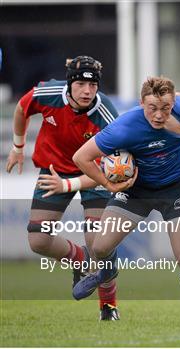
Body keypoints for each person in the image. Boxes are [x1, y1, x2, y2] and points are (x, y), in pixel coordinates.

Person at [70, 76, 180, 324]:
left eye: (165, 108)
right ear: (141, 102)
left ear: (174, 103)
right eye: (152, 108)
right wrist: (109, 184)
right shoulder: (124, 128)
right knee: (99, 248)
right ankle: (108, 270)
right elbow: (81, 158)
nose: (158, 115)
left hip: (175, 189)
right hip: (136, 191)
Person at [5, 55, 122, 321]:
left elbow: (108, 172)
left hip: (94, 172)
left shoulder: (106, 113)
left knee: (99, 245)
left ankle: (109, 306)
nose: (87, 91)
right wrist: (18, 147)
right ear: (69, 84)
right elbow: (22, 109)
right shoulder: (47, 94)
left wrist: (68, 184)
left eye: (93, 85)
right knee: (39, 240)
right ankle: (80, 261)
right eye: (81, 83)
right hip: (54, 169)